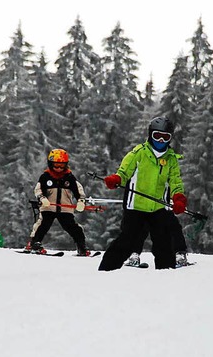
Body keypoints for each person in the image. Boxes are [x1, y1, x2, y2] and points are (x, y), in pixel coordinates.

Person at [99, 116, 187, 271]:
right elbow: (124, 172)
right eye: (157, 136)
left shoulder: (171, 159)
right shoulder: (138, 153)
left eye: (165, 137)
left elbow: (175, 182)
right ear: (150, 135)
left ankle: (166, 274)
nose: (160, 140)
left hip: (158, 207)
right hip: (136, 207)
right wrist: (116, 179)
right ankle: (107, 270)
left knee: (164, 242)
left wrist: (178, 198)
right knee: (127, 241)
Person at [25, 149, 90, 256]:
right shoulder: (45, 177)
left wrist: (81, 201)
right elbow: (38, 189)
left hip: (65, 208)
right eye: (56, 166)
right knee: (43, 224)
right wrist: (42, 198)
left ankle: (81, 246)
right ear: (50, 164)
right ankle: (34, 243)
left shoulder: (69, 177)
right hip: (48, 207)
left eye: (62, 166)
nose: (59, 169)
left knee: (73, 227)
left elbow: (79, 190)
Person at [125, 211, 191, 267]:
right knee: (139, 226)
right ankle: (134, 254)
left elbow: (175, 195)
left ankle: (180, 254)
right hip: (143, 207)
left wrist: (179, 200)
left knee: (172, 225)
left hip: (161, 206)